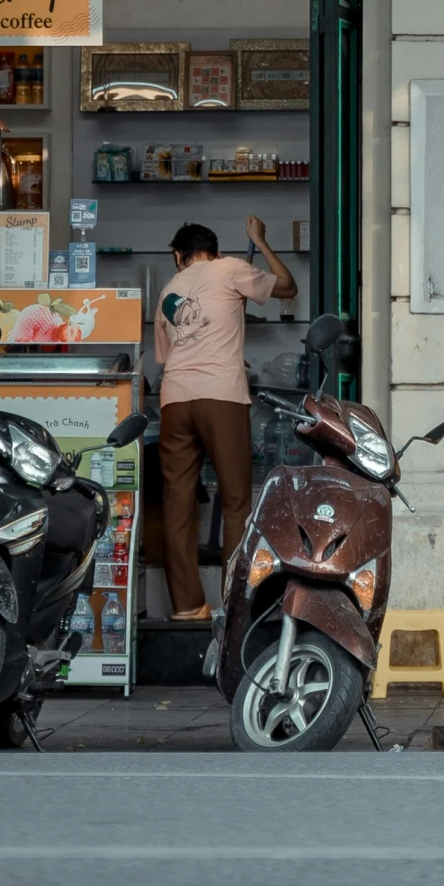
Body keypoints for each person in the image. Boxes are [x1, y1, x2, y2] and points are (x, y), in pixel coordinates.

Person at [153, 218, 295, 620]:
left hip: (175, 401)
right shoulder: (231, 268)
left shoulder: (168, 291)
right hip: (221, 396)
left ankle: (187, 606)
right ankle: (234, 603)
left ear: (178, 256)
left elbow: (172, 359)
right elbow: (287, 287)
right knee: (235, 502)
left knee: (178, 503)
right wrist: (260, 242)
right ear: (212, 251)